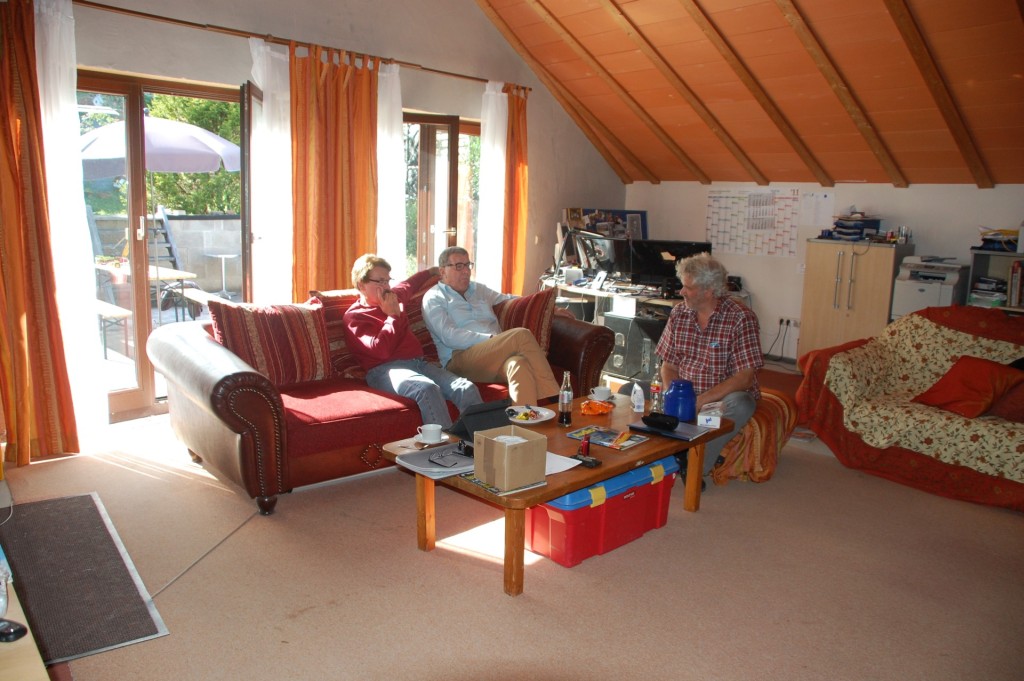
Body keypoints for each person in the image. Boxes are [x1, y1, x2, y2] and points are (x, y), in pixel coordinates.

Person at [655, 252, 763, 479]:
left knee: (742, 404)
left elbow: (744, 377)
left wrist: (699, 402)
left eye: (688, 287)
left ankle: (693, 467)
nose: (681, 292)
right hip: (684, 394)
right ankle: (658, 458)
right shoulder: (679, 313)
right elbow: (669, 365)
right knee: (630, 390)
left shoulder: (740, 318)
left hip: (719, 399)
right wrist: (673, 395)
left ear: (709, 291)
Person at [343, 254, 482, 429]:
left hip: (419, 364)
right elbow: (381, 351)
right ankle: (444, 445)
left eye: (387, 280)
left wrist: (431, 272)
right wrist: (392, 316)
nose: (386, 287)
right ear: (361, 285)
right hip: (384, 371)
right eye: (380, 281)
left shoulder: (394, 297)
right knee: (427, 389)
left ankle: (478, 443)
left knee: (466, 388)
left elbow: (409, 284)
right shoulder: (355, 317)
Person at [421, 247, 561, 406]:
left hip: (492, 355)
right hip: (459, 359)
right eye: (459, 266)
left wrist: (552, 309)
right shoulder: (434, 298)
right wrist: (491, 339)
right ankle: (556, 400)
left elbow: (510, 299)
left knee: (518, 364)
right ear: (442, 271)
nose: (466, 271)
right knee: (521, 336)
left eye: (468, 265)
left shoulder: (479, 290)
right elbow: (449, 336)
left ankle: (523, 419)